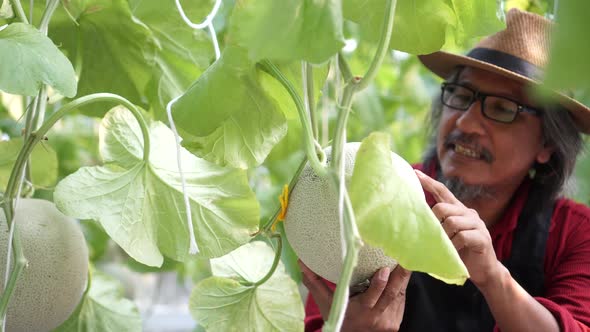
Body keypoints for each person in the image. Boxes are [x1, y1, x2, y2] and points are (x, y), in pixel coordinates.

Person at [301, 8, 590, 332]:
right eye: (461, 96)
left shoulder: (575, 233)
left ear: (548, 144)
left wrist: (493, 277)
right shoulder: (372, 192)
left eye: (503, 108)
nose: (465, 122)